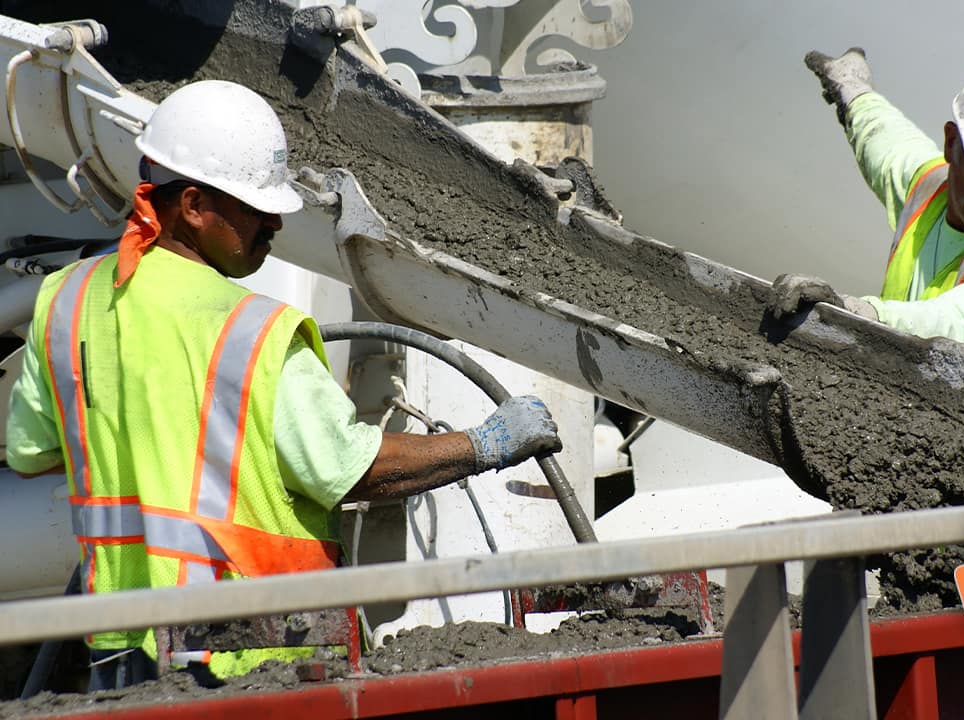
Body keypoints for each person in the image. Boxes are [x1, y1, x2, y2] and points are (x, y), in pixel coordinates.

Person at [4, 80, 561, 688]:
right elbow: (349, 469)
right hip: (248, 656)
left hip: (119, 649)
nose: (273, 221)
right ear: (191, 205)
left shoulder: (66, 301)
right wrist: (486, 444)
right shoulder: (251, 331)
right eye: (253, 206)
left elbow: (33, 455)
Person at [770, 49, 964, 502]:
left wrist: (852, 312)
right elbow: (887, 144)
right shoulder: (931, 192)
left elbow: (947, 329)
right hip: (935, 492)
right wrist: (854, 91)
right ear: (951, 144)